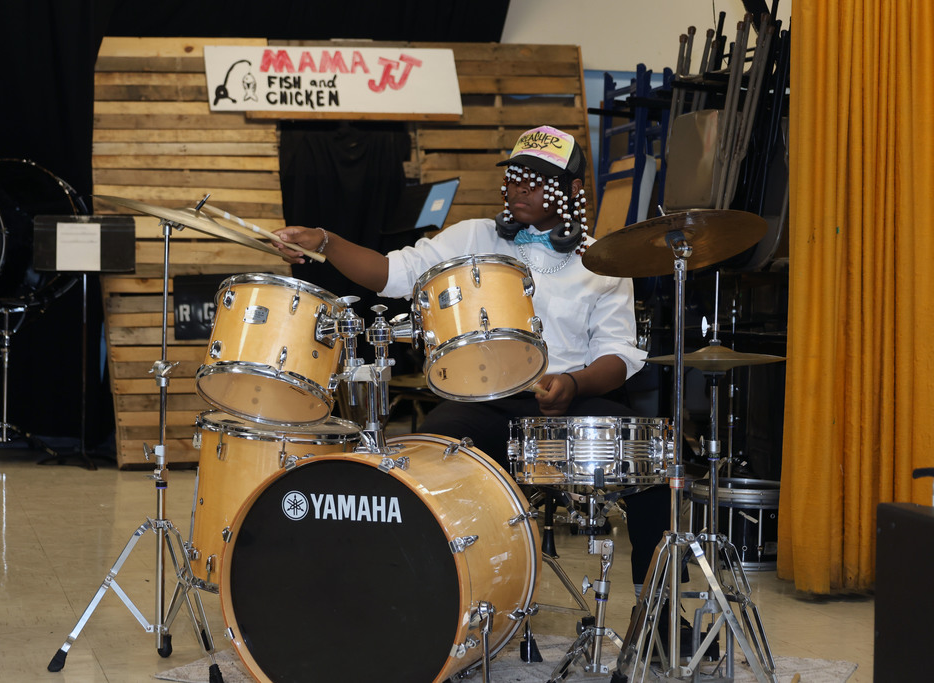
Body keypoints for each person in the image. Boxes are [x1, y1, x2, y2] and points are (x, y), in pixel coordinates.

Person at [272, 124, 668, 595]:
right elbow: (389, 273)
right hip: (485, 402)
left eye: (537, 178)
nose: (520, 186)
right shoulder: (473, 236)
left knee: (654, 467)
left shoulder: (602, 260)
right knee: (426, 456)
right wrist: (325, 242)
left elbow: (619, 354)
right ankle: (435, 599)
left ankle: (660, 609)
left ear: (573, 189)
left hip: (566, 406)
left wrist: (574, 385)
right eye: (515, 175)